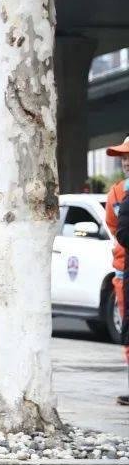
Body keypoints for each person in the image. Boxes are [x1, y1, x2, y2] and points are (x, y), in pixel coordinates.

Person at [108, 144, 129, 406]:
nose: (126, 162)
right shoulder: (117, 192)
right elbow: (116, 229)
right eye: (123, 158)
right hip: (123, 271)